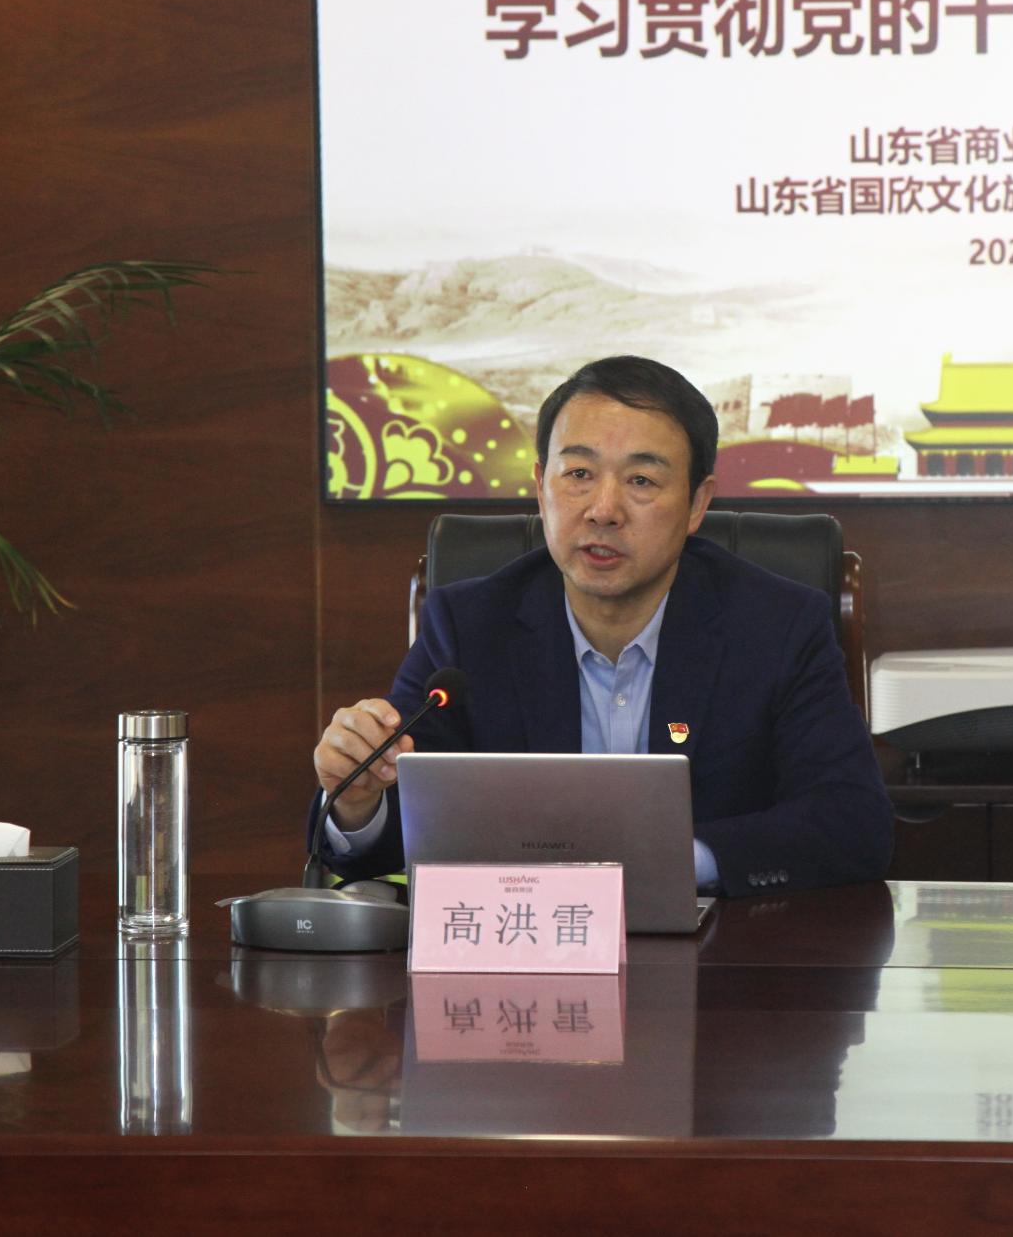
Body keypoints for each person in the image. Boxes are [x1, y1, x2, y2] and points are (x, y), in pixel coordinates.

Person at [310, 355, 893, 895]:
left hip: (721, 958)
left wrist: (670, 864)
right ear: (541, 488)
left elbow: (852, 822)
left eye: (641, 481)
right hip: (521, 951)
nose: (603, 510)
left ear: (697, 504)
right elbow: (399, 826)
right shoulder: (468, 626)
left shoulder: (776, 627)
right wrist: (359, 804)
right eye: (579, 473)